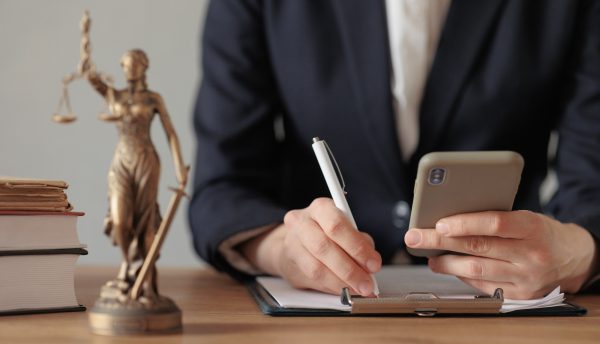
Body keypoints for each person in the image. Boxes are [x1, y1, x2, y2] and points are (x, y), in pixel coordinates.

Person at [189, 0, 600, 300]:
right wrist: (282, 249)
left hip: (508, 314)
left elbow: (593, 183)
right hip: (319, 321)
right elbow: (222, 189)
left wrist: (578, 253)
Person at [86, 49, 188, 300]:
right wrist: (85, 40)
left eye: (135, 64)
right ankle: (129, 265)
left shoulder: (153, 99)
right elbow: (90, 76)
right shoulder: (115, 95)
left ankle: (145, 280)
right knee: (120, 221)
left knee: (145, 224)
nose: (129, 69)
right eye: (126, 65)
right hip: (121, 161)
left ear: (145, 66)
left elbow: (170, 133)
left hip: (146, 160)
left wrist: (179, 168)